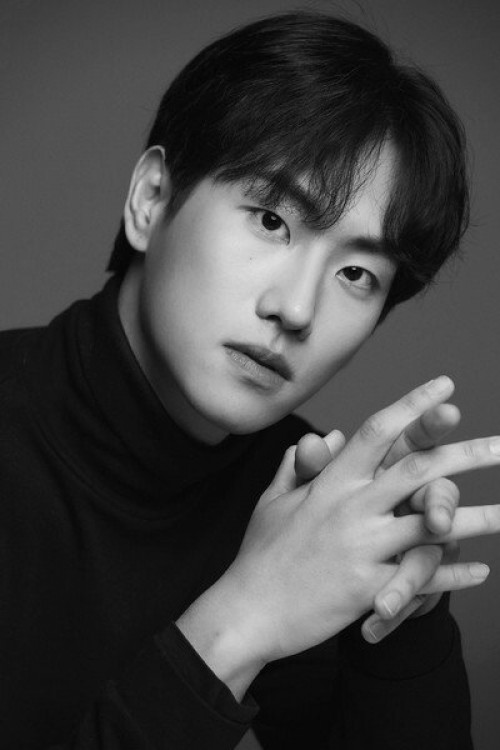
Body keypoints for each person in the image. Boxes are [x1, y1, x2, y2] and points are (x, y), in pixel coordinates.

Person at [1, 10, 500, 749]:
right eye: (271, 220)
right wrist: (243, 620)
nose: (296, 309)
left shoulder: (314, 510)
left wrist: (401, 613)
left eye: (356, 274)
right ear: (151, 199)